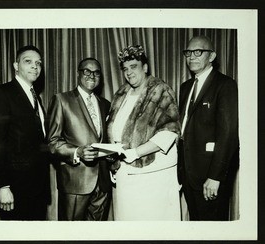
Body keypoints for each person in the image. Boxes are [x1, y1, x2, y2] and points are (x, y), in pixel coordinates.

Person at [107, 45, 181, 221]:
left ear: (145, 67)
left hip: (153, 176)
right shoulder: (121, 94)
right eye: (125, 69)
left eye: (134, 67)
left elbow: (169, 132)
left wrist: (135, 153)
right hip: (125, 174)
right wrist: (114, 160)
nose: (129, 73)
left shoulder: (160, 90)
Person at [178, 35, 239, 220]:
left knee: (213, 231)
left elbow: (228, 135)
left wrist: (216, 177)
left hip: (210, 178)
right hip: (188, 175)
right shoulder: (185, 87)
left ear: (211, 56)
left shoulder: (225, 85)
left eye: (198, 52)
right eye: (188, 53)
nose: (191, 57)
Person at [46, 57, 112, 221]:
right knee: (70, 235)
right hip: (75, 183)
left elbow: (105, 140)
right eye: (87, 71)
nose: (92, 76)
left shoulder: (105, 104)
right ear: (78, 74)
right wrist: (77, 151)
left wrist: (111, 153)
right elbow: (52, 142)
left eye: (96, 72)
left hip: (103, 183)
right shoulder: (62, 100)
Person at [0, 45, 51, 220]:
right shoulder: (2, 93)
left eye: (38, 63)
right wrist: (3, 186)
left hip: (37, 190)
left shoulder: (37, 98)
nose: (35, 66)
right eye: (28, 61)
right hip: (15, 190)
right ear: (16, 66)